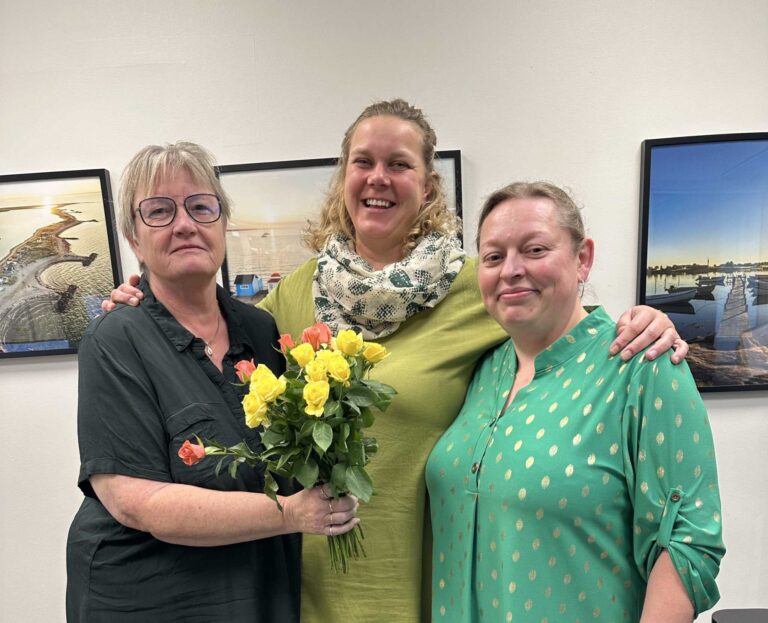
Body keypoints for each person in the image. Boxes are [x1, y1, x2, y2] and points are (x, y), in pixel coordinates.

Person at [104, 100, 688, 623]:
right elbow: (212, 330)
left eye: (399, 164)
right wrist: (141, 298)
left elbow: (565, 327)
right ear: (344, 178)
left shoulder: (479, 287)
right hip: (310, 582)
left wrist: (647, 322)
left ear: (427, 186)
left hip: (432, 581)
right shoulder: (294, 296)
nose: (378, 177)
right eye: (363, 162)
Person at [66, 142, 359, 623]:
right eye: (159, 211)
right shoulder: (115, 339)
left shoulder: (261, 331)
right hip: (149, 600)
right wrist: (292, 513)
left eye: (201, 207)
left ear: (222, 224)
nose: (185, 224)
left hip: (255, 590)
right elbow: (137, 502)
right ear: (134, 239)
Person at [426, 182, 724, 622]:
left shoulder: (643, 366)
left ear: (582, 258)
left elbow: (687, 541)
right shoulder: (481, 370)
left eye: (535, 250)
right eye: (493, 257)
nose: (511, 270)